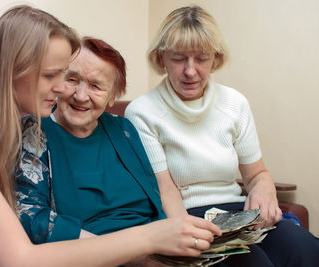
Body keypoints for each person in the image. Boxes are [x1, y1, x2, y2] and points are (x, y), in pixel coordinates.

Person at [0, 5, 221, 267]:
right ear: (12, 68)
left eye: (65, 74)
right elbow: (17, 258)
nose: (66, 89)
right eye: (54, 75)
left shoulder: (17, 118)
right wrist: (149, 239)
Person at [125, 5, 319, 267]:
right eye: (179, 58)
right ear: (161, 59)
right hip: (187, 216)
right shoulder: (142, 112)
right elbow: (165, 189)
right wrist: (188, 234)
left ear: (215, 58)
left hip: (239, 212)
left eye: (201, 58)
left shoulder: (234, 103)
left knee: (306, 249)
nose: (191, 71)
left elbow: (256, 174)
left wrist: (265, 193)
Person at [15, 36, 221, 266]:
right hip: (99, 257)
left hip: (162, 253)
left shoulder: (123, 128)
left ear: (113, 95)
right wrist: (133, 253)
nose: (81, 96)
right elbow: (33, 218)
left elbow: (158, 197)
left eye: (95, 86)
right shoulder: (34, 133)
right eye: (72, 79)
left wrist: (183, 237)